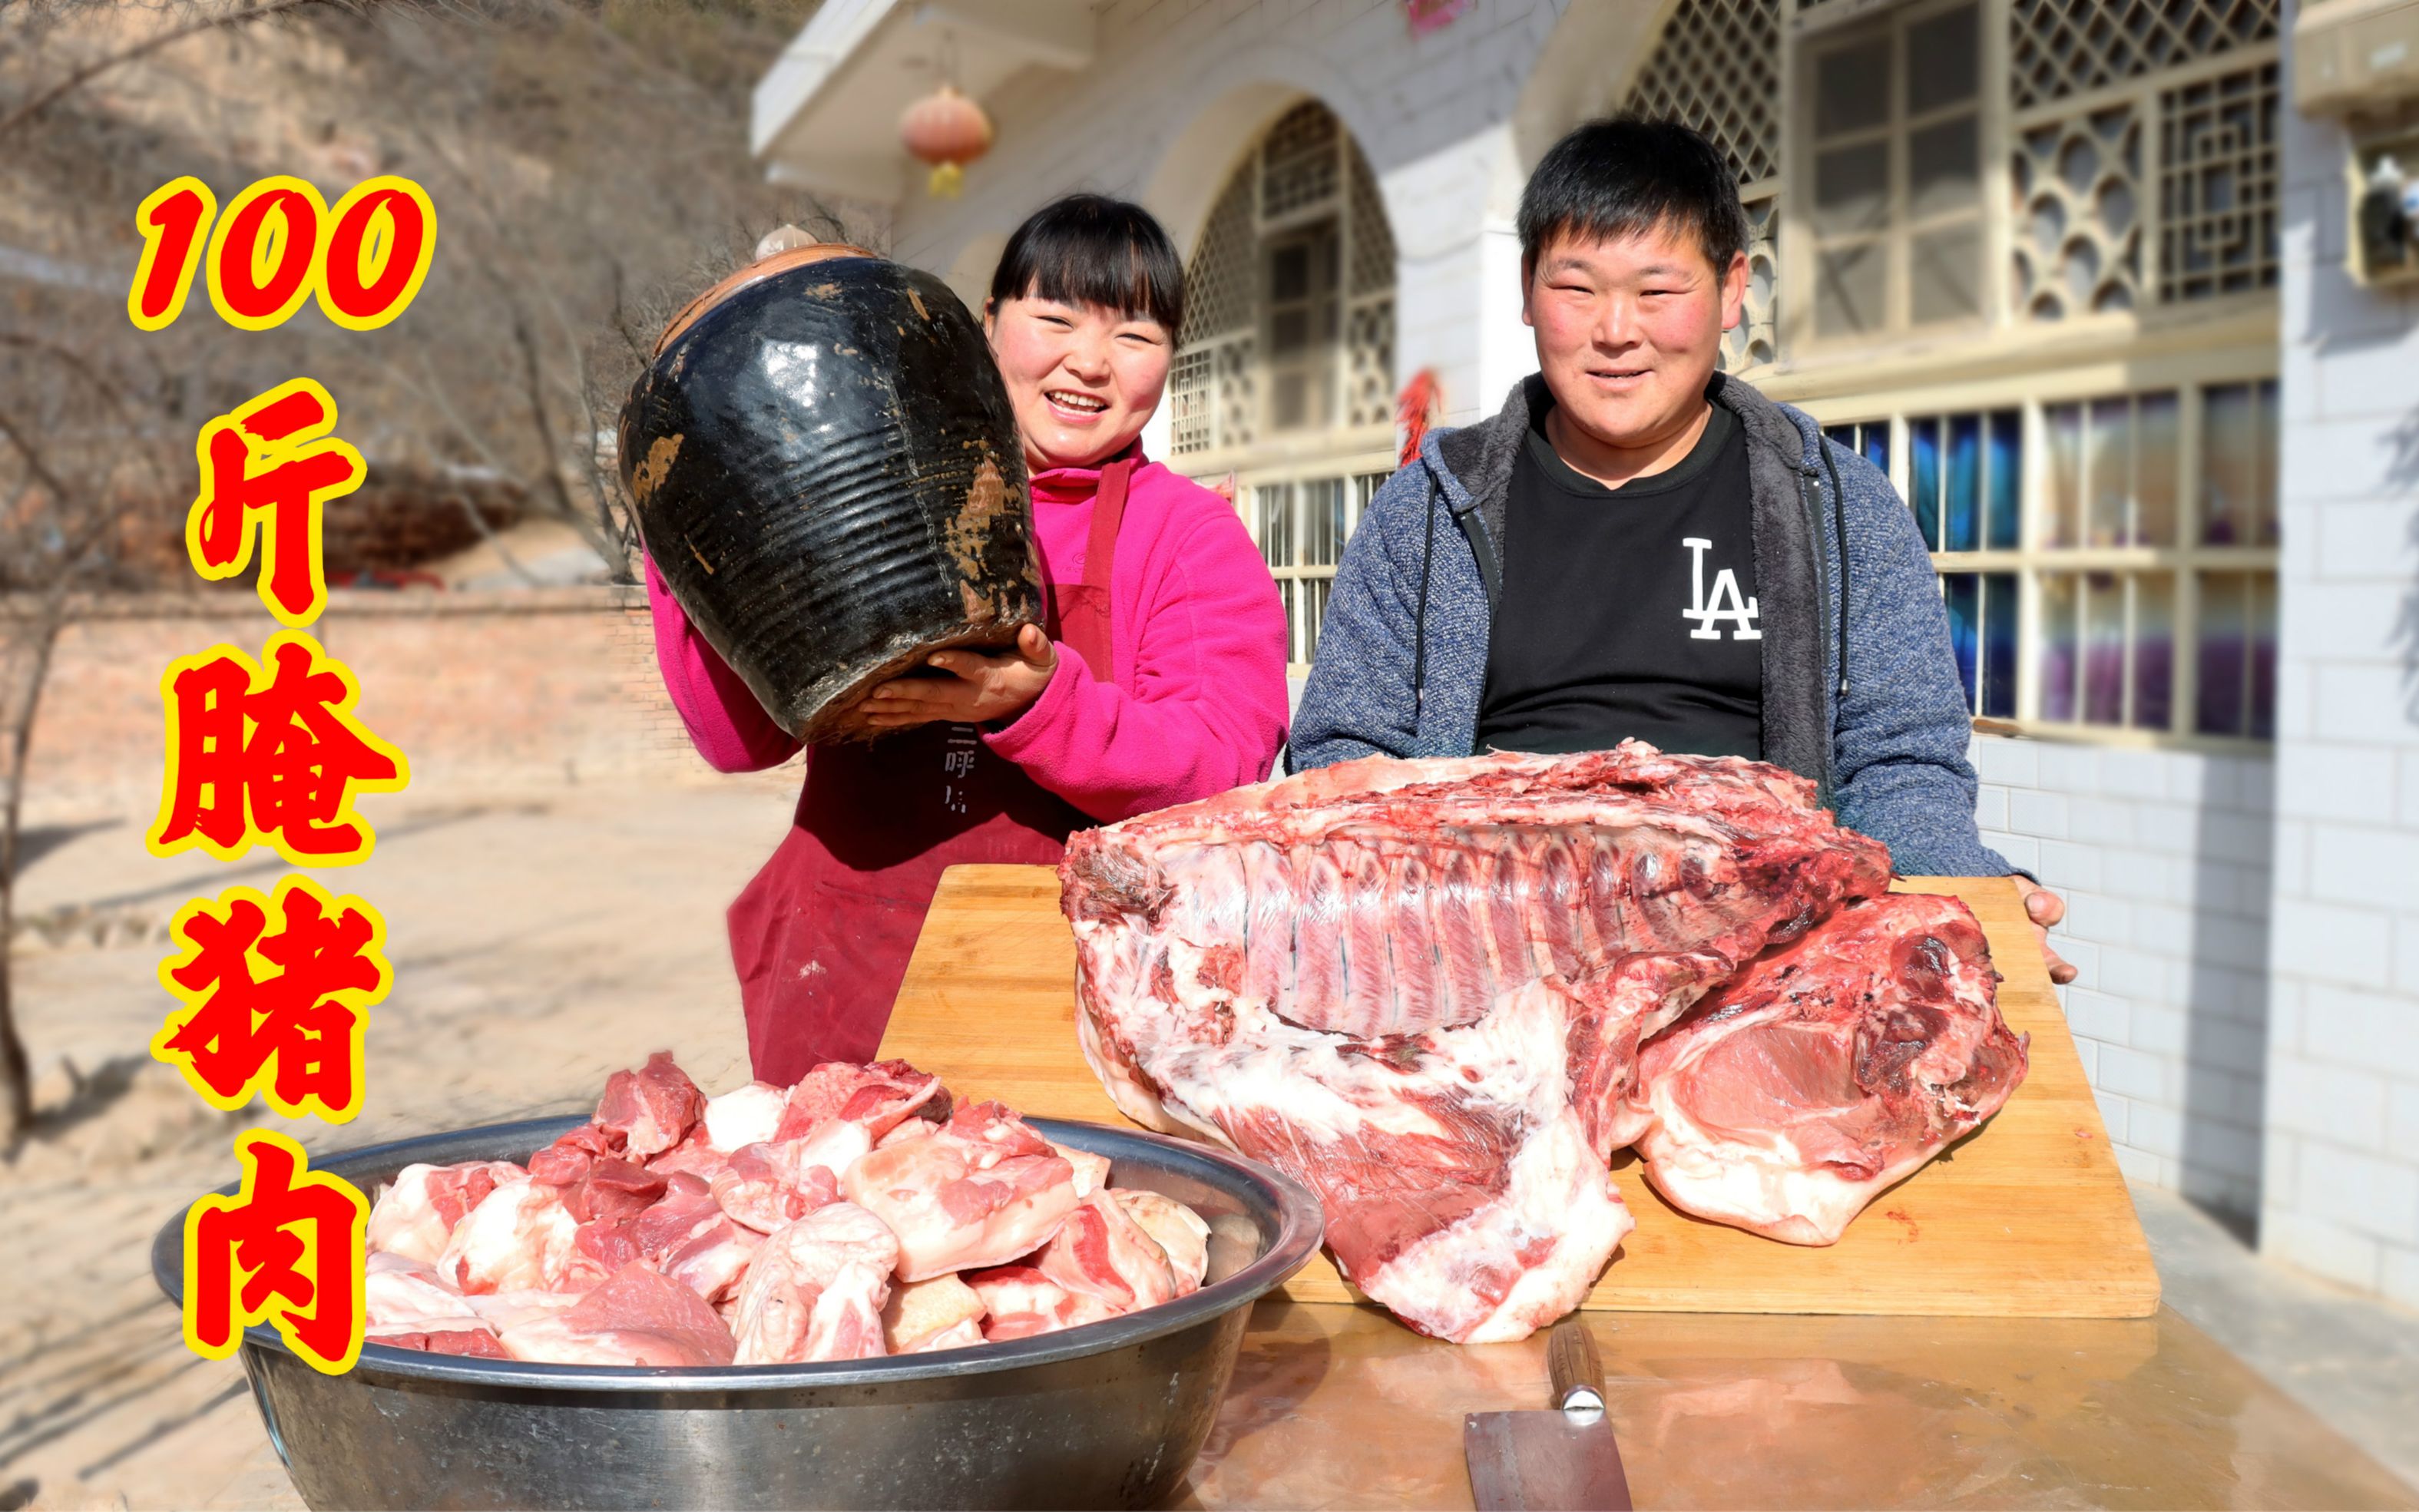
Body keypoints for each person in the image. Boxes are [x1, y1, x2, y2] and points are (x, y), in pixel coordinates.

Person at [1290, 118, 2073, 981]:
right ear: (1527, 292)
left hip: (1761, 960)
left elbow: (1902, 764)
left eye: (1657, 290)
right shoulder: (1428, 509)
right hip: (1490, 949)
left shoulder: (1838, 504)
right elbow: (1342, 753)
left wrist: (1965, 894)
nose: (1615, 330)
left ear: (1732, 289)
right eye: (1576, 288)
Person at [647, 195, 1290, 1080]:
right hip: (844, 978)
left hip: (1059, 1001)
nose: (1090, 362)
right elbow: (738, 740)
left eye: (1135, 335)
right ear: (985, 326)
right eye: (1055, 319)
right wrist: (696, 506)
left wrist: (1043, 706)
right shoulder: (860, 485)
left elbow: (1221, 768)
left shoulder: (1187, 535)